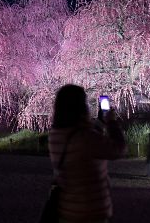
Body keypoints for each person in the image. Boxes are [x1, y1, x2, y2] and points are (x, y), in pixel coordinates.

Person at [48, 85, 126, 223]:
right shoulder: (85, 137)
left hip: (66, 209)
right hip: (90, 211)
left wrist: (100, 122)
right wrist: (112, 123)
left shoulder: (55, 135)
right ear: (80, 107)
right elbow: (118, 149)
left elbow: (85, 142)